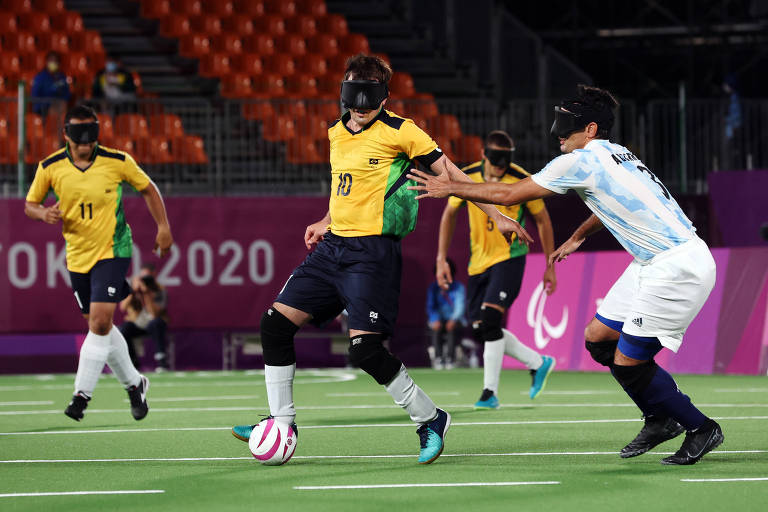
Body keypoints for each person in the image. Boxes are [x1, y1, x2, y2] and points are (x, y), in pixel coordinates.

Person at [230, 54, 532, 464]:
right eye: (352, 92)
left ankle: (430, 419)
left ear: (382, 95)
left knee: (366, 351)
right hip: (333, 246)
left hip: (372, 255)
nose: (359, 103)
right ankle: (281, 422)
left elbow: (455, 175)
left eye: (367, 94)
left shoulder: (402, 132)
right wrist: (325, 219)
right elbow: (345, 189)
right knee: (275, 326)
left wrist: (496, 213)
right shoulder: (336, 132)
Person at [408, 84, 723, 466]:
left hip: (677, 267)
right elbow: (610, 204)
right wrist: (576, 236)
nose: (558, 133)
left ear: (590, 129)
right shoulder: (619, 154)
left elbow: (510, 195)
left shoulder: (578, 161)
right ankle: (659, 419)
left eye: (566, 126)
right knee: (598, 339)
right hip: (651, 263)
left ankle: (701, 427)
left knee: (630, 362)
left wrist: (450, 186)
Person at [24, 104, 173, 422]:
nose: (85, 141)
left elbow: (148, 189)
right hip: (77, 257)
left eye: (91, 132)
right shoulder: (51, 166)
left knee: (100, 323)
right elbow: (30, 204)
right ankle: (135, 384)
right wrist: (43, 213)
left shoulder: (117, 161)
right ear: (66, 134)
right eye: (79, 133)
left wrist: (163, 227)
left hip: (113, 249)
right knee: (100, 325)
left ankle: (81, 395)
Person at [436, 130, 557, 408]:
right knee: (481, 328)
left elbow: (544, 222)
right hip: (478, 262)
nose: (500, 166)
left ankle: (489, 393)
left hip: (510, 257)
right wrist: (442, 258)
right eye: (496, 160)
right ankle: (538, 362)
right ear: (483, 155)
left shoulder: (522, 179)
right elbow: (449, 215)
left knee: (490, 321)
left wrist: (549, 266)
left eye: (505, 160)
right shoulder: (466, 176)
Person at [119, 263, 170, 371]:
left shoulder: (160, 290)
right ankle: (133, 363)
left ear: (154, 276)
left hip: (153, 324)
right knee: (124, 329)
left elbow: (154, 314)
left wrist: (147, 294)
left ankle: (162, 362)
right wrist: (133, 292)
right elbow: (123, 307)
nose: (145, 281)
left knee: (156, 323)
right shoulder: (133, 288)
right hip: (137, 323)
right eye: (143, 278)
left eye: (148, 278)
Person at [426, 257, 465, 370]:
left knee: (451, 329)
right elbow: (430, 307)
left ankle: (450, 359)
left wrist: (453, 319)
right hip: (438, 320)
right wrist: (435, 319)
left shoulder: (458, 287)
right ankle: (438, 358)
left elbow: (460, 306)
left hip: (454, 321)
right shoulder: (433, 288)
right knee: (436, 329)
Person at [31, 51, 71, 117]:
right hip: (43, 108)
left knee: (62, 105)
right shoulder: (40, 77)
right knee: (55, 108)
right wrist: (47, 103)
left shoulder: (62, 77)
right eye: (51, 61)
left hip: (59, 105)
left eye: (55, 61)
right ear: (46, 62)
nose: (53, 63)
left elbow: (67, 94)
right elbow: (35, 96)